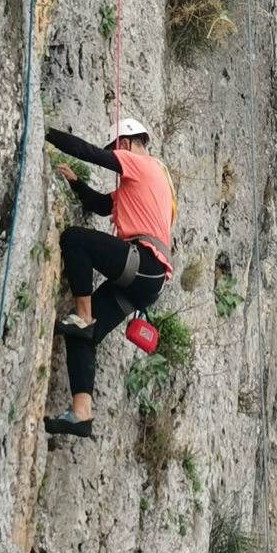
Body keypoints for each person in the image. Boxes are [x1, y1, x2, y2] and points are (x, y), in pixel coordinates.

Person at [43, 117, 176, 438]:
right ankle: (81, 413)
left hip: (145, 262)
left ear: (127, 145)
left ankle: (83, 315)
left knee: (74, 239)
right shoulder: (148, 183)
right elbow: (102, 206)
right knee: (81, 338)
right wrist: (76, 184)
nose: (116, 159)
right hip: (145, 281)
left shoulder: (144, 165)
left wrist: (45, 131)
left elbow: (89, 153)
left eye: (116, 151)